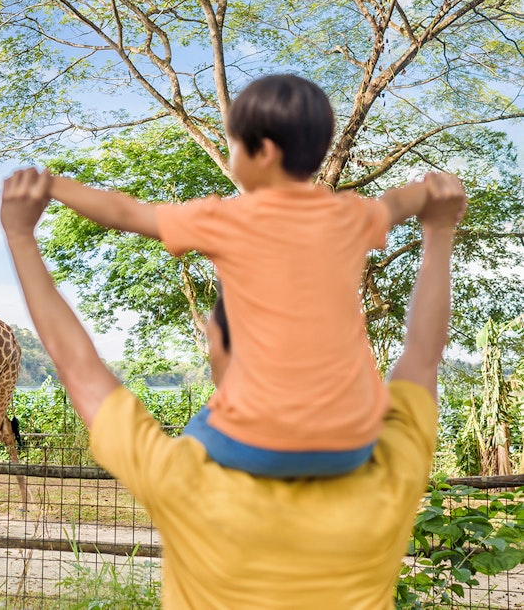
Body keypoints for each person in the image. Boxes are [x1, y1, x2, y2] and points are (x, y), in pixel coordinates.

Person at [0, 166, 464, 608]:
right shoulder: (386, 471)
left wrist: (21, 236)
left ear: (218, 346)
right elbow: (422, 357)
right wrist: (439, 233)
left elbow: (77, 366)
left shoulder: (187, 480)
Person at [45, 74, 435, 478]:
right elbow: (398, 202)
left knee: (191, 442)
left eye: (232, 145)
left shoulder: (227, 218)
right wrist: (431, 189)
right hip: (353, 440)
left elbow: (125, 213)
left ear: (263, 152)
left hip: (261, 443)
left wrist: (53, 185)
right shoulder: (351, 215)